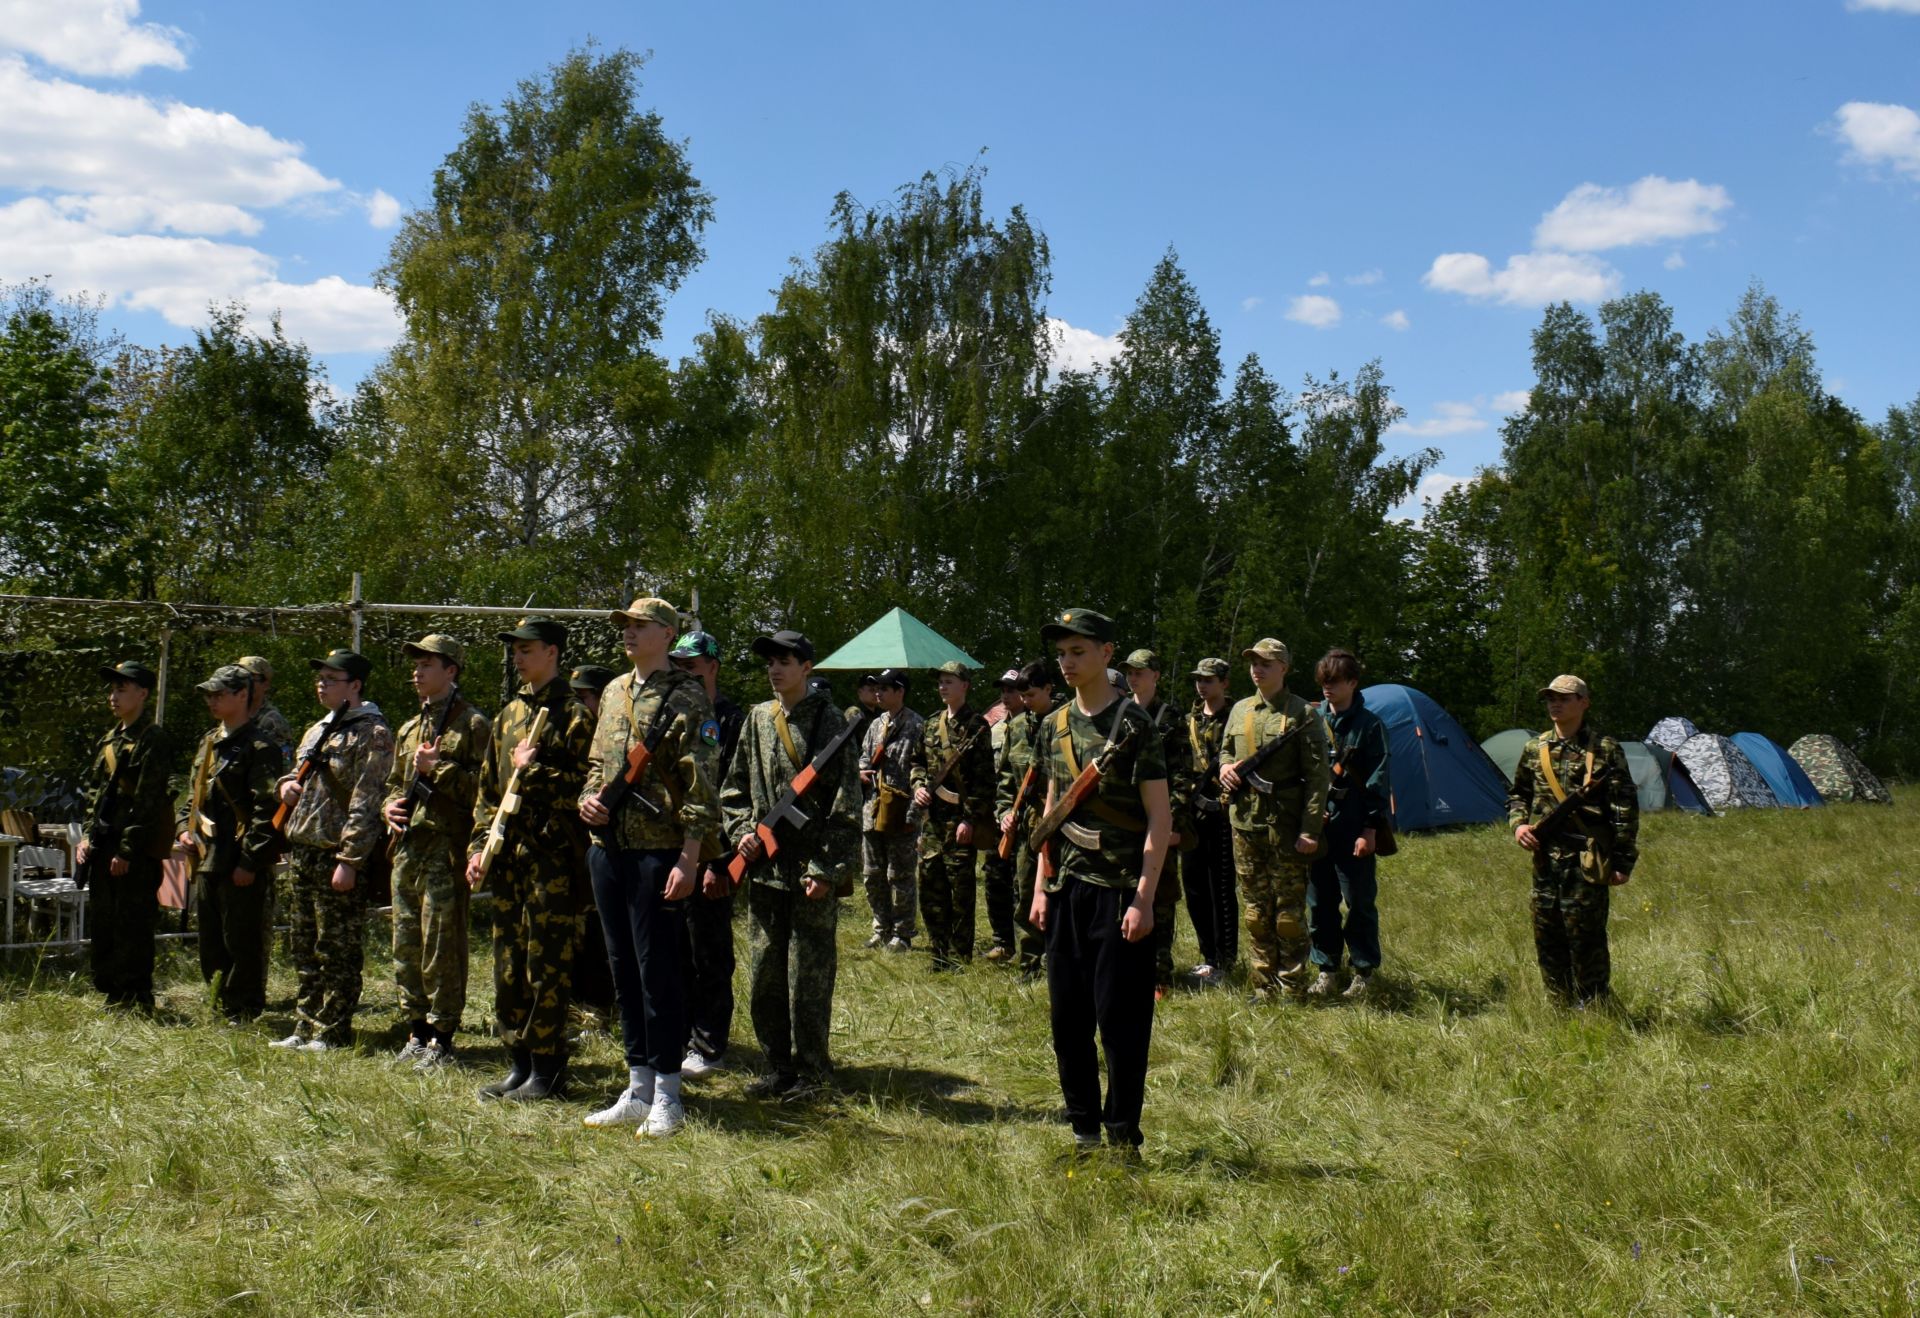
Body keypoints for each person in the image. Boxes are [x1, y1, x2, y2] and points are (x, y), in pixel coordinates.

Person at [1027, 608, 1170, 1156]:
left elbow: (1160, 817)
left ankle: (1121, 1135)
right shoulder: (1053, 725)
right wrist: (1042, 887)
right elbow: (1050, 810)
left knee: (1121, 1024)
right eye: (1061, 653)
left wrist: (1144, 897)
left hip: (1119, 894)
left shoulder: (1136, 727)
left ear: (1107, 654)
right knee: (1068, 1021)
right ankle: (1083, 1128)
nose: (1067, 662)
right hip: (1065, 890)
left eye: (1078, 652)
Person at [579, 598, 721, 1138]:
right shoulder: (615, 691)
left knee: (658, 970)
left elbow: (702, 785)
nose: (629, 634)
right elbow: (599, 762)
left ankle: (668, 1092)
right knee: (622, 968)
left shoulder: (687, 696)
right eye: (626, 627)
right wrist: (588, 799)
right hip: (608, 847)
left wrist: (689, 857)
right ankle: (636, 1085)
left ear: (667, 634)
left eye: (640, 627)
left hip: (659, 853)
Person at [719, 630, 861, 1098]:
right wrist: (743, 833)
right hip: (763, 869)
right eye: (770, 662)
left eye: (786, 660)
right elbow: (734, 787)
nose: (775, 669)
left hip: (807, 876)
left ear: (807, 667)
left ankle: (814, 1073)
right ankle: (778, 1066)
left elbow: (846, 806)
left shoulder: (830, 722)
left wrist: (826, 870)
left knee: (809, 979)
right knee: (764, 976)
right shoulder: (758, 719)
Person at [467, 616, 596, 1101]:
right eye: (515, 650)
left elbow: (588, 789)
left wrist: (536, 770)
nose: (518, 657)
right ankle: (518, 1062)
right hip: (508, 858)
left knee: (546, 963)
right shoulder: (508, 716)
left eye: (527, 649)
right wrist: (479, 847)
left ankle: (548, 1069)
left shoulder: (574, 716)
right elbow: (488, 791)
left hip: (551, 859)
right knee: (508, 961)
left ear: (552, 653)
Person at [270, 649, 394, 1053]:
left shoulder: (372, 732)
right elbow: (297, 774)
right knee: (303, 945)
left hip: (335, 854)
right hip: (304, 851)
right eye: (320, 677)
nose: (321, 683)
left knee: (336, 947)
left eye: (331, 678)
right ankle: (305, 1025)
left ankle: (332, 1030)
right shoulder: (315, 730)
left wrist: (350, 860)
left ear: (354, 685)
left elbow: (367, 800)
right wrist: (284, 786)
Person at [382, 634, 489, 1069]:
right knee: (405, 941)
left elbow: (485, 791)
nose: (417, 672)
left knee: (441, 944)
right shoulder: (409, 728)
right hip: (409, 849)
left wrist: (438, 769)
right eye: (416, 664)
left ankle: (442, 1036)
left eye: (427, 664)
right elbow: (392, 783)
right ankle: (416, 1029)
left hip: (447, 849)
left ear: (451, 671)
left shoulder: (474, 725)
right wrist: (387, 806)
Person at [1507, 674, 1639, 1006]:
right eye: (1551, 698)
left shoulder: (1605, 750)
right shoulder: (1534, 749)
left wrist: (1622, 862)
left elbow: (1624, 807)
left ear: (1584, 703)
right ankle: (1559, 1005)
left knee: (1586, 938)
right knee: (1547, 936)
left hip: (1586, 859)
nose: (1555, 703)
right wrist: (1519, 825)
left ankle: (1595, 1006)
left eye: (1564, 698)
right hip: (1545, 859)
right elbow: (1518, 794)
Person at [1219, 639, 1329, 1003]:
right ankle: (1263, 986)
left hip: (1285, 826)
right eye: (1253, 662)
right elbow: (1224, 752)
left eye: (1266, 662)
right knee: (1255, 911)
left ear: (1284, 667)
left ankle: (1293, 986)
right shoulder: (1238, 711)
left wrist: (1310, 830)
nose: (1257, 668)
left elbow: (1317, 778)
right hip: (1246, 824)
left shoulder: (1303, 714)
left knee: (1288, 914)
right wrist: (1225, 769)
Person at [177, 665, 282, 1023]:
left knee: (242, 940)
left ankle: (243, 1010)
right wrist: (183, 830)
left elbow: (267, 811)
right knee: (211, 941)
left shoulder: (260, 746)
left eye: (219, 693)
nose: (212, 700)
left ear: (242, 695)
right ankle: (218, 1003)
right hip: (207, 857)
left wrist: (250, 862)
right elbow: (192, 798)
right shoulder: (208, 742)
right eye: (209, 694)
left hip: (239, 859)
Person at [670, 628, 747, 1076]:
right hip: (673, 848)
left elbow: (734, 795)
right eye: (678, 666)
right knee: (676, 948)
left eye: (692, 667)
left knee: (710, 949)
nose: (685, 674)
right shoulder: (673, 715)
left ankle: (709, 1043)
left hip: (714, 851)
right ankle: (680, 1035)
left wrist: (721, 862)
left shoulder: (731, 720)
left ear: (712, 668)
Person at [75, 659, 173, 1011]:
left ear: (143, 693)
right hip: (103, 844)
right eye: (112, 689)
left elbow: (148, 800)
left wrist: (128, 850)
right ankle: (111, 990)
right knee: (104, 919)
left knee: (133, 922)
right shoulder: (109, 740)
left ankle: (135, 994)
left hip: (133, 847)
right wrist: (86, 838)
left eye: (122, 689)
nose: (113, 696)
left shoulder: (152, 739)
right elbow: (93, 794)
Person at [1306, 649, 1393, 1001]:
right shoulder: (1312, 721)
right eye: (1324, 682)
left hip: (1355, 826)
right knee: (1319, 902)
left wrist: (1370, 829)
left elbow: (1379, 779)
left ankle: (1364, 972)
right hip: (1318, 828)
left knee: (1358, 902)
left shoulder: (1371, 726)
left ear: (1353, 683)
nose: (1328, 688)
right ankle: (1327, 968)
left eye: (1335, 681)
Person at [909, 661, 994, 970]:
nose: (943, 686)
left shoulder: (977, 726)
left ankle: (959, 956)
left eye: (949, 681)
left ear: (965, 686)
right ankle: (938, 952)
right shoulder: (931, 724)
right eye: (941, 682)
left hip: (959, 819)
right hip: (932, 821)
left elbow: (985, 781)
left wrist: (970, 819)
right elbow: (916, 761)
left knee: (960, 891)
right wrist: (918, 785)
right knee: (931, 887)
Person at [1120, 649, 1187, 999]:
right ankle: (1128, 965)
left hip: (1160, 818)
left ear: (1156, 676)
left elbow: (1181, 775)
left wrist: (1173, 821)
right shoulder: (1119, 713)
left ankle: (1160, 972)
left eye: (1141, 672)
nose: (1134, 678)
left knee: (1160, 895)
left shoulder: (1171, 717)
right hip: (1126, 818)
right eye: (1130, 672)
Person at [568, 662, 621, 1034]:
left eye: (585, 696)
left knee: (601, 932)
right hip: (571, 848)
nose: (580, 704)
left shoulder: (613, 734)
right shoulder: (571, 730)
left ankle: (601, 1009)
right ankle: (578, 1007)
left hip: (606, 847)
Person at [995, 660, 1055, 977]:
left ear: (1049, 689)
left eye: (1032, 695)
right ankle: (1030, 962)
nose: (1027, 702)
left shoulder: (1066, 722)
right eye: (1023, 696)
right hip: (1025, 825)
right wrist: (1005, 813)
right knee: (1025, 891)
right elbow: (1005, 778)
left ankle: (1059, 961)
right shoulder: (1017, 727)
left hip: (1063, 825)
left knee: (1060, 893)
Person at [1181, 657, 1238, 987]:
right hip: (1192, 814)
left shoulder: (1235, 719)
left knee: (1221, 889)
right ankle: (1207, 957)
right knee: (1194, 886)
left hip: (1223, 814)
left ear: (1224, 683)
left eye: (1209, 680)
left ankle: (1225, 960)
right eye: (1198, 679)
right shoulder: (1189, 720)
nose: (1202, 685)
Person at [858, 667, 923, 951]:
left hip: (901, 809)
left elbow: (923, 770)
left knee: (900, 874)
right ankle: (881, 928)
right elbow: (863, 756)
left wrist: (914, 815)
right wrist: (861, 770)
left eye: (885, 689)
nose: (878, 693)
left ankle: (903, 932)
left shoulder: (917, 725)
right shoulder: (875, 725)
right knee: (873, 873)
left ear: (900, 692)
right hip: (872, 809)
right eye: (876, 688)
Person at [979, 668, 1025, 961]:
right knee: (996, 879)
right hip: (998, 815)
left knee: (1024, 883)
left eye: (1012, 690)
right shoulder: (994, 729)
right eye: (1003, 690)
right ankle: (1002, 941)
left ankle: (1030, 945)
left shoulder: (1037, 725)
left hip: (1025, 817)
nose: (1006, 695)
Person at [237, 655, 294, 771]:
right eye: (240, 677)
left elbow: (283, 767)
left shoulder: (273, 722)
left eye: (251, 678)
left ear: (266, 684)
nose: (244, 683)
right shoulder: (233, 714)